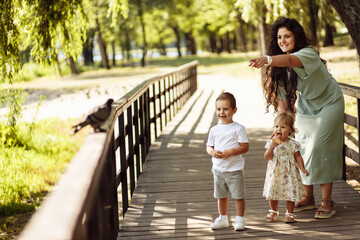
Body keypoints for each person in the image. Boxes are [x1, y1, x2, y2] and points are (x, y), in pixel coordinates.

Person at [249, 17, 344, 219]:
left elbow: (292, 60)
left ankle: (328, 201)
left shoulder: (308, 53)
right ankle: (308, 197)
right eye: (279, 37)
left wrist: (267, 59)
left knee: (319, 146)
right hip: (307, 106)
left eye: (287, 36)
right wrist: (280, 129)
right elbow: (284, 107)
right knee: (300, 145)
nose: (283, 40)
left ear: (296, 37)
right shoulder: (280, 69)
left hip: (329, 102)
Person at [206, 92, 249, 231]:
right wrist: (213, 152)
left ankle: (239, 219)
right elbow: (209, 146)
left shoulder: (238, 128)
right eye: (219, 109)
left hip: (234, 169)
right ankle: (223, 218)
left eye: (225, 109)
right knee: (221, 196)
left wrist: (230, 152)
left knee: (238, 196)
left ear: (234, 110)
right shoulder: (214, 129)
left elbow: (245, 147)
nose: (222, 112)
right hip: (218, 169)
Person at [263, 112, 309, 223]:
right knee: (273, 192)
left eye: (283, 127)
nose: (279, 129)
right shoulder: (271, 143)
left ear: (290, 130)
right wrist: (271, 148)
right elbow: (267, 158)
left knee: (290, 193)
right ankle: (274, 210)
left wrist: (302, 168)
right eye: (276, 126)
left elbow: (298, 157)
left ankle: (289, 213)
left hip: (289, 173)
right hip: (275, 173)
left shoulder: (293, 144)